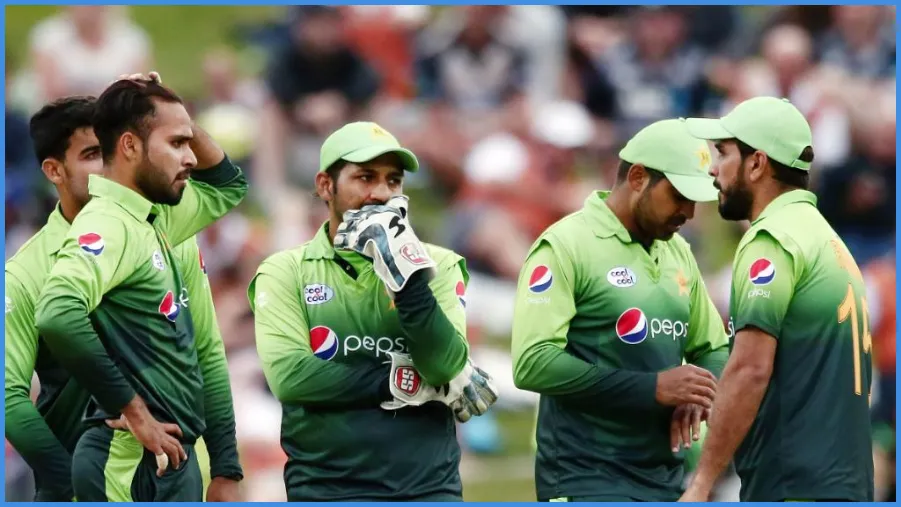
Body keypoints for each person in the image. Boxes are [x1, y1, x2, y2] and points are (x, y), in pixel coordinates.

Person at [248, 121, 498, 501]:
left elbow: (444, 366)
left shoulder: (440, 265)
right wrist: (399, 381)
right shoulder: (286, 271)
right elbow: (291, 377)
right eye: (365, 177)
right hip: (325, 489)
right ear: (325, 186)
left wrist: (407, 276)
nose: (381, 193)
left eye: (393, 181)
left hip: (428, 490)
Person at [32, 75, 248, 501]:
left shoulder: (156, 216)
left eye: (189, 142)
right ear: (130, 146)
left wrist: (225, 464)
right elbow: (57, 313)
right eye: (177, 143)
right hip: (128, 459)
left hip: (174, 455)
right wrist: (133, 411)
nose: (190, 156)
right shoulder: (108, 224)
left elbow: (229, 184)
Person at [511, 118, 729, 502]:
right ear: (639, 177)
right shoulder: (566, 245)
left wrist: (698, 394)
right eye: (679, 195)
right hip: (584, 478)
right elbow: (533, 362)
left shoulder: (678, 252)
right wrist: (652, 388)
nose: (690, 212)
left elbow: (713, 348)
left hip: (664, 478)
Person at [679, 96, 874, 502]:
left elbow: (749, 370)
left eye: (723, 152)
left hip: (792, 484)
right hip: (845, 485)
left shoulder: (772, 239)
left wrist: (701, 483)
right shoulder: (826, 240)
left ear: (756, 164)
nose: (713, 169)